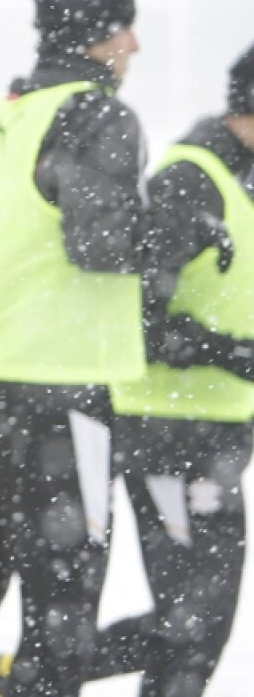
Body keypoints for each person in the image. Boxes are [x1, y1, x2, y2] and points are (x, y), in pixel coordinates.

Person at [0, 0, 231, 697]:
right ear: (96, 35)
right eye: (123, 29)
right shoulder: (98, 112)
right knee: (62, 611)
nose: (133, 45)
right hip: (63, 399)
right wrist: (188, 228)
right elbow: (102, 244)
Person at [72, 42, 254, 697]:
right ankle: (38, 670)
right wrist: (232, 354)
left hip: (219, 435)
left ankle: (37, 667)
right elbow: (138, 319)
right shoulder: (192, 179)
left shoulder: (243, 182)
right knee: (192, 628)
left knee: (202, 631)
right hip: (166, 431)